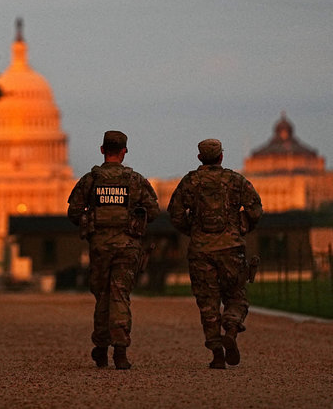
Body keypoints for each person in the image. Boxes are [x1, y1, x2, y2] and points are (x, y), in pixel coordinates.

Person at [167, 139, 263, 369]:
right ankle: (230, 328)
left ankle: (217, 354)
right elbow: (255, 209)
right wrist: (241, 227)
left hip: (201, 250)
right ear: (221, 157)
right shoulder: (235, 180)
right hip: (231, 248)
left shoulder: (190, 182)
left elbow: (176, 213)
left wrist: (192, 230)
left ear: (200, 158)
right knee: (236, 296)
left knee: (208, 303)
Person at [68, 130, 159, 370]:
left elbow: (74, 213)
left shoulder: (90, 180)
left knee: (102, 297)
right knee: (120, 296)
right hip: (127, 246)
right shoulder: (135, 180)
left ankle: (100, 346)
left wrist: (93, 220)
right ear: (124, 151)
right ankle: (120, 351)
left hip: (100, 246)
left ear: (102, 150)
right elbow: (154, 211)